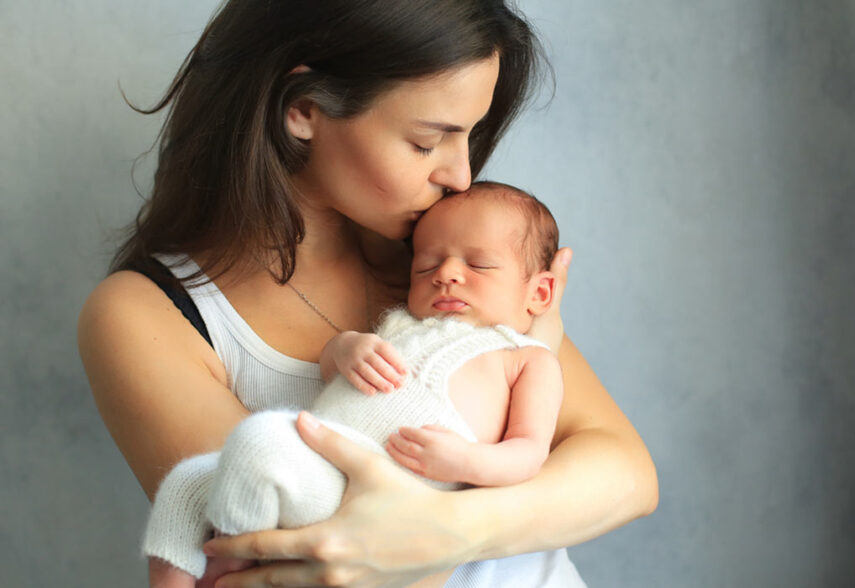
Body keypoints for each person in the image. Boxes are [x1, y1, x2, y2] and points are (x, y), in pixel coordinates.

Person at [78, 2, 658, 587]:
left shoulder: (445, 259)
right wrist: (470, 524)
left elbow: (627, 473)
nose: (460, 177)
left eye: (471, 135)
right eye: (429, 140)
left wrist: (450, 529)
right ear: (302, 109)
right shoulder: (149, 315)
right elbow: (303, 565)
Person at [144, 183, 565, 588]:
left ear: (540, 292)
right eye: (427, 265)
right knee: (188, 481)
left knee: (259, 442)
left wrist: (467, 461)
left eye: (478, 265)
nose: (446, 275)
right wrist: (344, 349)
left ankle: (233, 565)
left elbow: (528, 451)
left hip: (375, 499)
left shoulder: (528, 357)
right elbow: (332, 370)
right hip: (324, 464)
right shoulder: (401, 324)